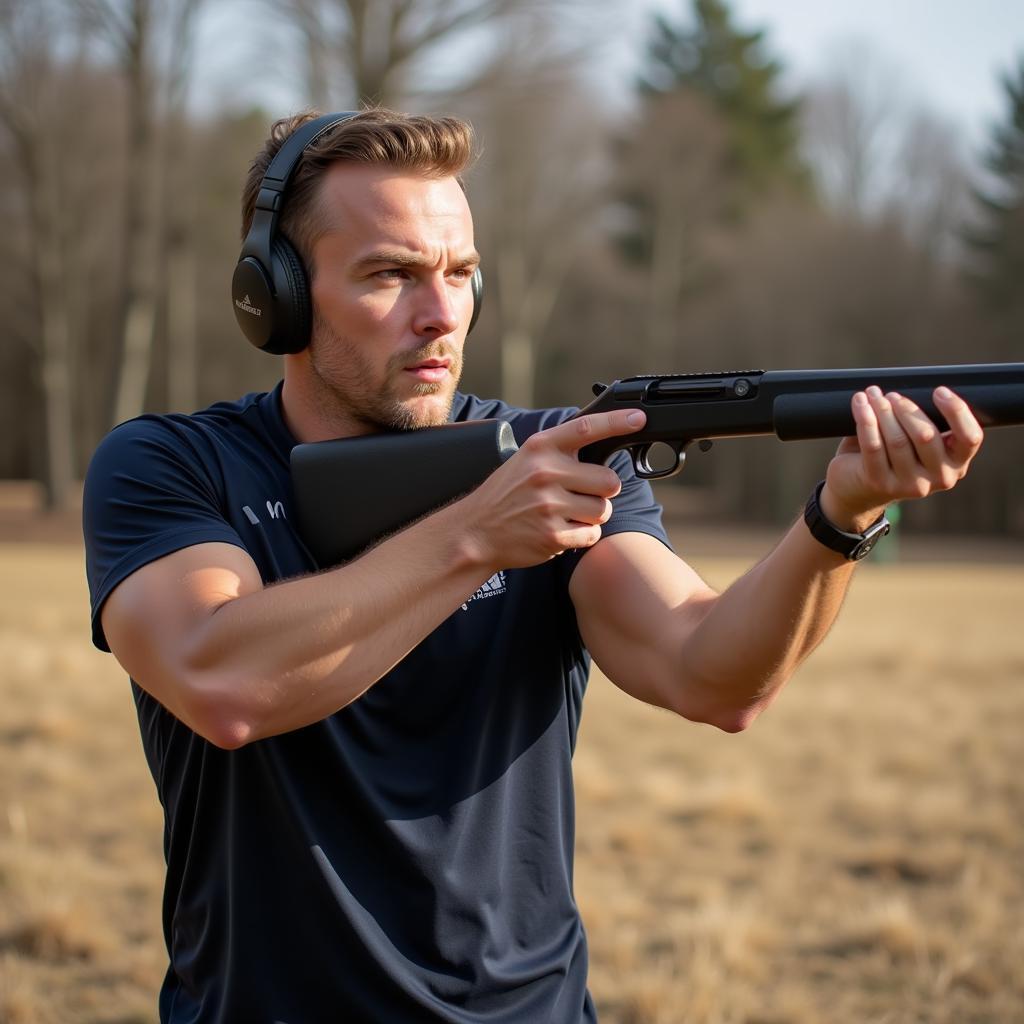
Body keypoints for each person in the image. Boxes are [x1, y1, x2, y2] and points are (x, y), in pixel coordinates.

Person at [82, 109, 985, 1024]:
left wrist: (841, 515)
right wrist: (475, 535)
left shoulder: (561, 458)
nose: (441, 314)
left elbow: (712, 674)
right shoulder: (170, 465)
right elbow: (222, 682)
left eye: (461, 274)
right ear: (272, 294)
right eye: (390, 275)